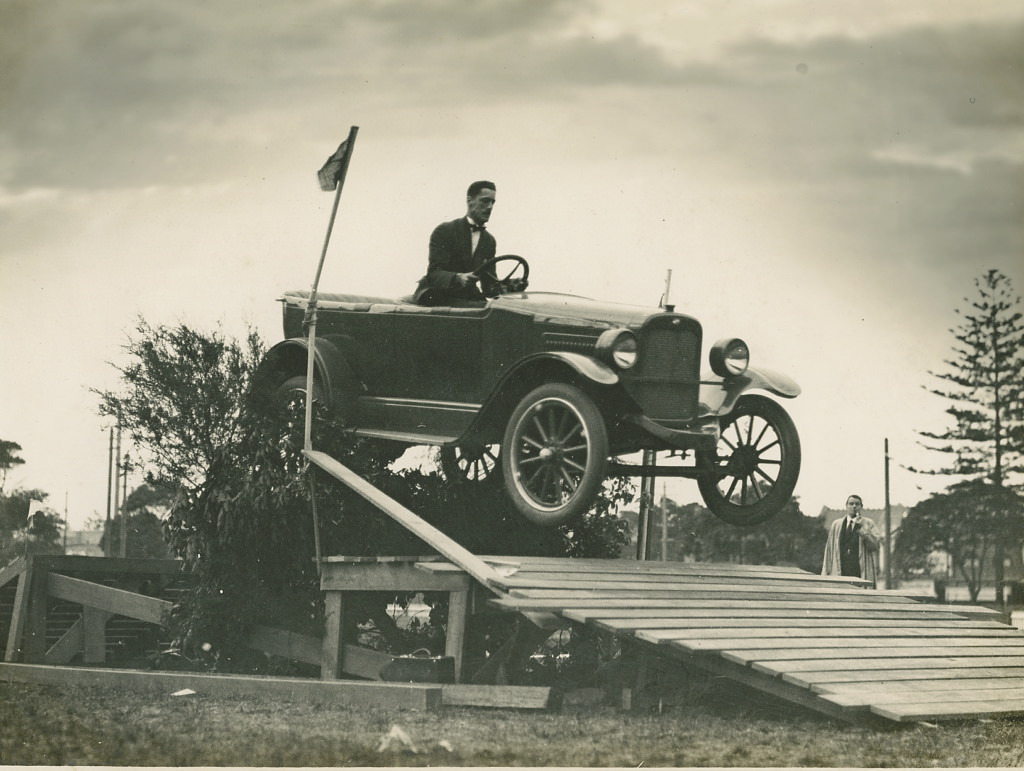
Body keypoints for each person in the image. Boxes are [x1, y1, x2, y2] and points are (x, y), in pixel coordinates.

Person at [413, 181, 499, 305]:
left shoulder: (489, 241)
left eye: (493, 202)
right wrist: (459, 278)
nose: (490, 206)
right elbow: (434, 273)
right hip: (436, 295)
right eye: (485, 201)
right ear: (469, 200)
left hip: (466, 298)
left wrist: (511, 286)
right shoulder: (445, 230)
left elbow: (489, 285)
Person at [821, 494, 882, 588]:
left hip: (860, 572)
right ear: (846, 506)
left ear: (861, 507)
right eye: (851, 504)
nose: (854, 506)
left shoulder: (868, 523)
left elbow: (875, 546)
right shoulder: (836, 525)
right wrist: (825, 573)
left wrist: (863, 530)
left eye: (857, 504)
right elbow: (829, 550)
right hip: (841, 572)